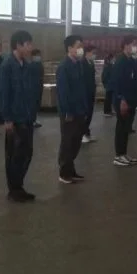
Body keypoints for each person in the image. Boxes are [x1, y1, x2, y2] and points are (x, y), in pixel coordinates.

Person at [0, 31, 37, 199]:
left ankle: (19, 185)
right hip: (15, 117)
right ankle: (14, 190)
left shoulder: (26, 66)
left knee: (26, 153)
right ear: (18, 45)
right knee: (15, 154)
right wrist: (7, 118)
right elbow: (3, 93)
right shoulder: (7, 65)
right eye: (28, 44)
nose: (30, 48)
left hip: (27, 116)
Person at [56, 35, 87, 183]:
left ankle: (71, 170)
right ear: (69, 48)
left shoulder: (78, 65)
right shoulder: (64, 67)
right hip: (69, 112)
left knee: (76, 141)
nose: (81, 49)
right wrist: (67, 111)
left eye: (81, 46)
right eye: (78, 46)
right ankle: (64, 173)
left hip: (80, 109)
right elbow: (63, 92)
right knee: (67, 142)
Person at [111, 36, 137, 166]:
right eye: (133, 44)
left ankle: (124, 153)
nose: (135, 47)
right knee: (121, 127)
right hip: (122, 100)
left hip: (131, 99)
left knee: (126, 128)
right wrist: (122, 99)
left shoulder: (131, 61)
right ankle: (118, 156)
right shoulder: (120, 61)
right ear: (125, 45)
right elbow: (117, 82)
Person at [81, 45, 98, 143]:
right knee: (85, 114)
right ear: (87, 53)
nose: (94, 55)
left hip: (91, 92)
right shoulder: (82, 63)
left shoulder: (91, 63)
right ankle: (82, 134)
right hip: (85, 93)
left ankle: (87, 133)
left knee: (90, 114)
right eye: (93, 53)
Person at [29, 49, 45, 128]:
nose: (38, 57)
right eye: (37, 55)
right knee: (33, 105)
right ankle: (31, 120)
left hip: (39, 87)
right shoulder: (30, 66)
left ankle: (34, 119)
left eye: (39, 55)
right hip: (33, 88)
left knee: (37, 104)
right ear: (33, 56)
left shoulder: (40, 64)